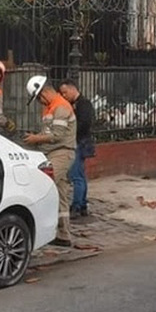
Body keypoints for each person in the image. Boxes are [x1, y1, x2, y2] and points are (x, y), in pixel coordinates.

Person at [24, 75, 76, 246]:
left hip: (61, 153)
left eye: (38, 98)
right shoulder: (51, 107)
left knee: (43, 186)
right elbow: (49, 131)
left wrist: (35, 139)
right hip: (53, 153)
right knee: (60, 194)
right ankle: (63, 235)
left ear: (44, 92)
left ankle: (40, 231)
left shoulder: (60, 107)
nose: (39, 101)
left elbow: (57, 135)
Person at [59, 79, 96, 217]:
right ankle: (82, 204)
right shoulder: (77, 104)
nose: (63, 96)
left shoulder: (83, 104)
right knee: (80, 174)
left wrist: (70, 133)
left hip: (79, 142)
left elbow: (84, 124)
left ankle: (76, 206)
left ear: (72, 89)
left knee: (76, 176)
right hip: (81, 141)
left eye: (65, 92)